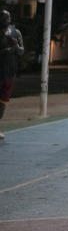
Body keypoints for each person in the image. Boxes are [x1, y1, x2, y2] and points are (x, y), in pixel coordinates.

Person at [0, 9, 25, 141]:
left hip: (10, 71)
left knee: (3, 101)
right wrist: (9, 50)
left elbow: (21, 51)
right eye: (3, 17)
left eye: (7, 17)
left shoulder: (16, 33)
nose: (5, 20)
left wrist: (16, 47)